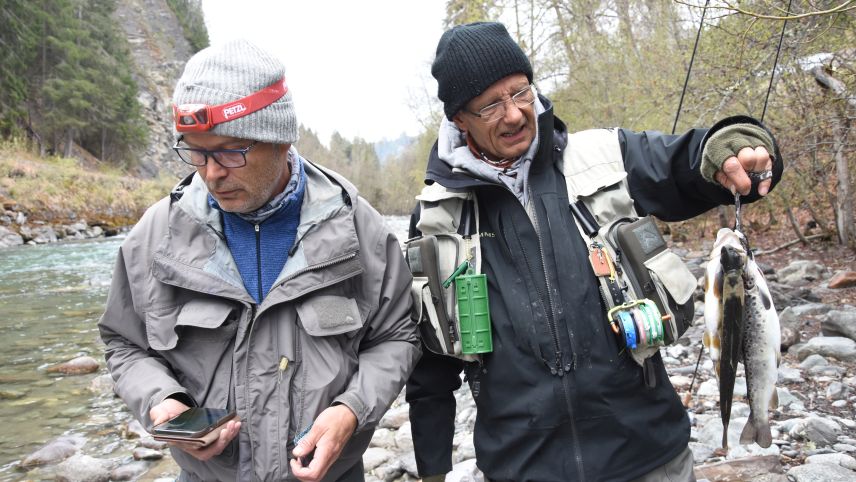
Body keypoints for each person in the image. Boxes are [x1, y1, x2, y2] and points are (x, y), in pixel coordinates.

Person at [405, 22, 782, 482]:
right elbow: (430, 365)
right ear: (459, 118)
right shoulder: (436, 215)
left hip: (649, 456)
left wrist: (736, 148)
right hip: (523, 468)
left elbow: (687, 163)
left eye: (521, 92)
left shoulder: (603, 156)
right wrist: (432, 470)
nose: (514, 114)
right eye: (490, 104)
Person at [98, 39, 420, 482]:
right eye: (196, 151)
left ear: (281, 139)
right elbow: (124, 342)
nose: (210, 173)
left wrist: (352, 409)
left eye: (231, 151)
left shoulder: (357, 230)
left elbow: (397, 336)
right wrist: (161, 400)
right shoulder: (155, 237)